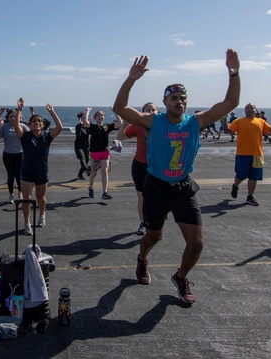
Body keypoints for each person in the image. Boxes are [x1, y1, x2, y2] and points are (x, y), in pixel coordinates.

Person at [112, 50, 241, 304]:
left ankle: (181, 277)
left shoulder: (196, 122)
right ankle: (142, 259)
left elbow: (230, 103)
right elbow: (119, 108)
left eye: (182, 98)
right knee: (153, 237)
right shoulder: (153, 122)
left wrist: (234, 73)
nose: (178, 102)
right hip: (157, 187)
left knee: (197, 244)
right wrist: (131, 80)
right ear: (165, 101)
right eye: (173, 98)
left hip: (183, 187)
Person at [11, 99, 63, 235]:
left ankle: (42, 215)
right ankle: (27, 222)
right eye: (34, 121)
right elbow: (16, 126)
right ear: (29, 124)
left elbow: (60, 127)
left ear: (43, 124)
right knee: (27, 198)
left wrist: (52, 112)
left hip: (42, 171)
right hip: (27, 171)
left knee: (40, 197)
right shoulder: (25, 136)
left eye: (39, 121)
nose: (37, 123)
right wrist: (19, 110)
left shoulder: (47, 137)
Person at [117, 102, 156, 235]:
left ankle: (156, 225)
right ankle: (143, 223)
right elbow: (119, 137)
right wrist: (125, 125)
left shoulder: (162, 125)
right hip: (140, 164)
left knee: (157, 197)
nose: (151, 112)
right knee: (142, 196)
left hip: (157, 165)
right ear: (142, 112)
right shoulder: (138, 125)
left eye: (153, 109)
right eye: (148, 109)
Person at [228, 103, 271, 206]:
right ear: (244, 110)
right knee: (241, 175)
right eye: (247, 108)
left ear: (256, 110)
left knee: (254, 177)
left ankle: (250, 197)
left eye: (252, 108)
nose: (249, 109)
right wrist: (223, 120)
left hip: (257, 154)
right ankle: (236, 185)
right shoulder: (238, 122)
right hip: (243, 154)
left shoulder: (261, 122)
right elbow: (228, 131)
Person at [83, 108, 122, 200]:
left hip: (104, 152)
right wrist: (88, 111)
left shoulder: (107, 127)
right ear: (96, 117)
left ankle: (105, 192)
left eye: (102, 115)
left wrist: (115, 111)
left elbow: (120, 123)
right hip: (94, 153)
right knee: (94, 173)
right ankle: (91, 188)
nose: (100, 117)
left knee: (104, 172)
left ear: (104, 117)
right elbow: (85, 122)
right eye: (98, 115)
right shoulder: (92, 127)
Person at [0, 107, 28, 203]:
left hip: (20, 154)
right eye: (11, 117)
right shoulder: (5, 127)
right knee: (10, 175)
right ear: (8, 118)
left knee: (19, 175)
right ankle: (11, 194)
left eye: (15, 116)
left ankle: (20, 193)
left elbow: (31, 135)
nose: (13, 118)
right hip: (8, 154)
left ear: (19, 117)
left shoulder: (23, 126)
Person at [72, 110, 92, 180]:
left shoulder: (88, 127)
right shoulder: (78, 126)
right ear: (81, 119)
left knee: (86, 161)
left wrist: (91, 124)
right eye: (84, 118)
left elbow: (91, 133)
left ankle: (80, 174)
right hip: (78, 146)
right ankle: (87, 170)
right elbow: (78, 134)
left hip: (86, 146)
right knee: (82, 158)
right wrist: (81, 126)